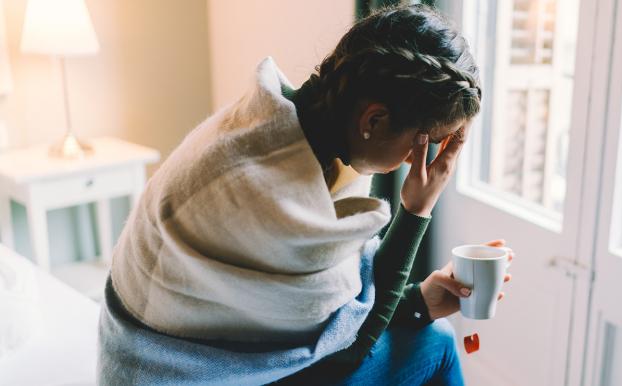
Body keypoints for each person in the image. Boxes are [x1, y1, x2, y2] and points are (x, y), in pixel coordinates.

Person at [98, 4, 513, 386]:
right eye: (424, 143)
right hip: (166, 373)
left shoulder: (280, 125)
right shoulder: (275, 198)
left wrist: (416, 302)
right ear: (375, 118)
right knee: (437, 343)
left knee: (427, 327)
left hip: (145, 355)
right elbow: (346, 352)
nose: (414, 163)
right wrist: (417, 210)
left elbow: (326, 310)